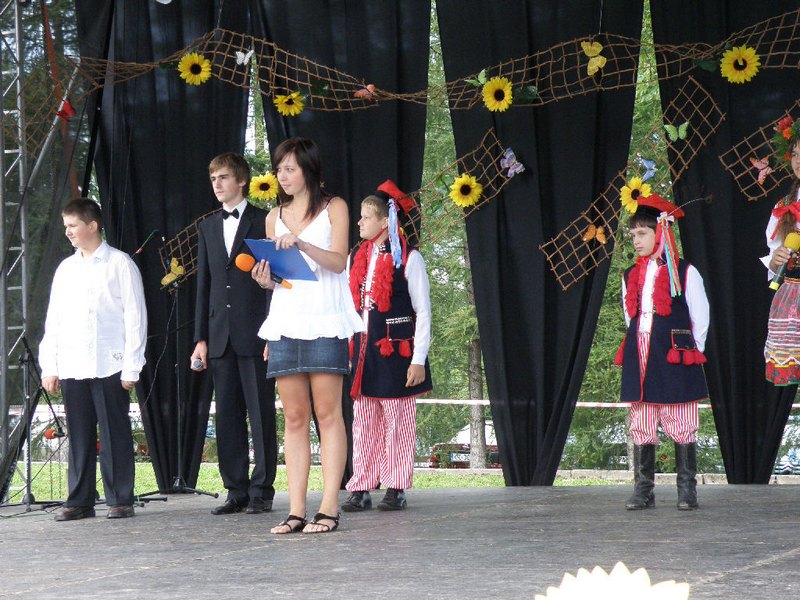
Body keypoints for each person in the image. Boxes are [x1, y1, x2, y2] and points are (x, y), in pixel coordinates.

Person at [251, 137, 364, 534]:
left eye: (290, 169)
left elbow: (338, 262)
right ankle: (296, 510)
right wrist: (266, 280)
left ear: (309, 169)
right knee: (295, 417)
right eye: (279, 169)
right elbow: (283, 278)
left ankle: (329, 507)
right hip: (287, 322)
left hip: (325, 320)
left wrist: (301, 243)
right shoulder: (273, 216)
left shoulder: (335, 207)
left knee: (328, 414)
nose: (282, 176)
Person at [39, 198, 147, 521]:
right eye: (66, 226)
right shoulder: (66, 269)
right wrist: (50, 366)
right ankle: (80, 500)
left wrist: (132, 366)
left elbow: (135, 317)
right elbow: (54, 320)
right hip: (74, 363)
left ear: (92, 225)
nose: (68, 232)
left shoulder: (120, 264)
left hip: (110, 362)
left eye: (73, 225)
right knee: (79, 434)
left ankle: (120, 497)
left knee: (114, 432)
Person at [191, 152, 278, 515]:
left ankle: (262, 490)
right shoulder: (208, 226)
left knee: (260, 413)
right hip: (219, 334)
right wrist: (200, 338)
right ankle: (236, 489)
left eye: (224, 177)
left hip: (256, 331)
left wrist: (274, 331)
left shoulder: (263, 219)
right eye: (213, 179)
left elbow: (275, 277)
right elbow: (204, 284)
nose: (217, 184)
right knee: (226, 415)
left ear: (242, 180)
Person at [341, 180, 432, 513]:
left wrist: (418, 359)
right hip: (364, 352)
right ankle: (361, 486)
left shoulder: (409, 258)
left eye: (366, 217)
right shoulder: (356, 257)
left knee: (399, 421)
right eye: (360, 217)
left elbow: (423, 311)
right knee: (364, 421)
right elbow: (349, 306)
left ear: (385, 221)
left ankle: (396, 486)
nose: (359, 223)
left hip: (398, 353)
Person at [616, 193, 709, 511]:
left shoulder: (685, 271)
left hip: (673, 352)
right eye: (633, 235)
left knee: (680, 416)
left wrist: (691, 353)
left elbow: (700, 316)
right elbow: (630, 316)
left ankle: (687, 489)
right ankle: (644, 489)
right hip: (641, 350)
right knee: (642, 418)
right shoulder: (629, 275)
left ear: (661, 232)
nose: (636, 241)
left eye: (642, 233)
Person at [763, 122, 800, 385]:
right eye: (795, 154)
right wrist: (774, 260)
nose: (798, 161)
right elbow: (772, 251)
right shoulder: (783, 205)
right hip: (791, 297)